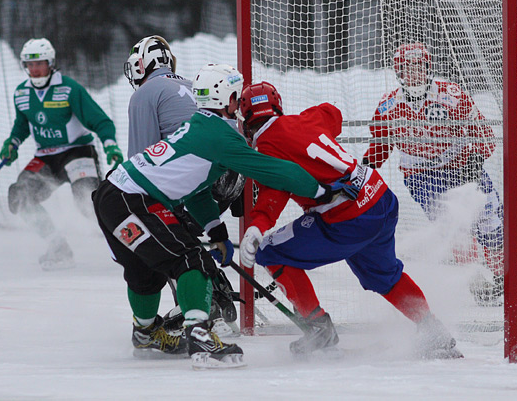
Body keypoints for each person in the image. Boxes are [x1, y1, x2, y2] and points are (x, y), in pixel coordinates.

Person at [91, 64, 348, 369]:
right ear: (226, 98)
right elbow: (271, 169)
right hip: (134, 200)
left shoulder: (199, 125)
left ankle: (146, 333)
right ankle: (200, 338)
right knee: (192, 260)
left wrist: (216, 231)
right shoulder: (221, 136)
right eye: (237, 98)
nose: (239, 106)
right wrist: (319, 191)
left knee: (146, 273)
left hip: (112, 196)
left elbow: (197, 188)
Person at [238, 81, 462, 359]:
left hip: (347, 217)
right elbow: (331, 113)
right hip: (380, 197)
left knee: (269, 251)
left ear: (246, 119)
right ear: (277, 105)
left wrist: (258, 225)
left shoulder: (266, 148)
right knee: (384, 275)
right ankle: (432, 330)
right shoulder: (306, 119)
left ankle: (317, 326)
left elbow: (275, 191)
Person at [361, 42, 517, 306]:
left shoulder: (452, 94)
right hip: (421, 175)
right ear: (398, 73)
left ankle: (507, 279)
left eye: (419, 67)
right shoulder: (388, 106)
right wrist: (363, 167)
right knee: (452, 224)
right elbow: (380, 146)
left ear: (429, 67)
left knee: (491, 220)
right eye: (407, 69)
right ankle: (477, 282)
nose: (415, 74)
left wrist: (476, 158)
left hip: (463, 165)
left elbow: (483, 132)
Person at [123, 35, 244, 334]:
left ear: (141, 65)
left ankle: (204, 308)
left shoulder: (145, 93)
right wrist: (216, 228)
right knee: (184, 235)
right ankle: (215, 289)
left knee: (166, 245)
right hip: (231, 178)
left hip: (200, 179)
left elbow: (143, 163)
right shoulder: (193, 84)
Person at [0, 38, 123, 271]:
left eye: (40, 64)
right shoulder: (22, 93)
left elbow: (99, 120)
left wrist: (110, 144)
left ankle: (131, 243)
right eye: (29, 64)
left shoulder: (69, 88)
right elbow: (23, 124)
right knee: (20, 195)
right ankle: (57, 246)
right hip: (46, 156)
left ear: (51, 63)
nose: (34, 70)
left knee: (88, 199)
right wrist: (12, 143)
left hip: (77, 151)